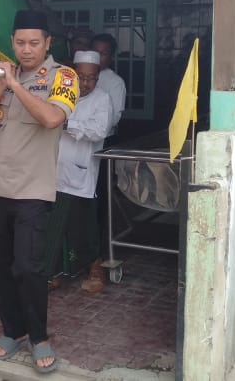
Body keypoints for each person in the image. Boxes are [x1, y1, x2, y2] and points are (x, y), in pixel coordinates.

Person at [0, 9, 79, 374]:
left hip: (34, 189)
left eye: (34, 43)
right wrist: (0, 85)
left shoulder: (64, 76)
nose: (27, 49)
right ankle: (13, 331)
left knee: (29, 268)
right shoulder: (2, 78)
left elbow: (51, 119)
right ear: (12, 43)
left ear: (48, 43)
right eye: (20, 43)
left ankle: (39, 337)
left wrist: (16, 85)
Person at [44, 50, 111, 288]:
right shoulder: (60, 94)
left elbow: (98, 130)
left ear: (97, 78)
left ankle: (93, 265)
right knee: (53, 224)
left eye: (90, 78)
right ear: (72, 74)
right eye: (80, 77)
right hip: (53, 169)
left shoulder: (102, 99)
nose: (85, 83)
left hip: (80, 173)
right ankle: (52, 272)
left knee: (81, 224)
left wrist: (67, 122)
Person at [84, 33, 127, 294]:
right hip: (76, 151)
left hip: (102, 147)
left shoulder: (114, 83)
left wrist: (83, 126)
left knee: (98, 205)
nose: (99, 57)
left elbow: (111, 121)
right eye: (95, 51)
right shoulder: (76, 79)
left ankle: (97, 255)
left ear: (111, 56)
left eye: (104, 53)